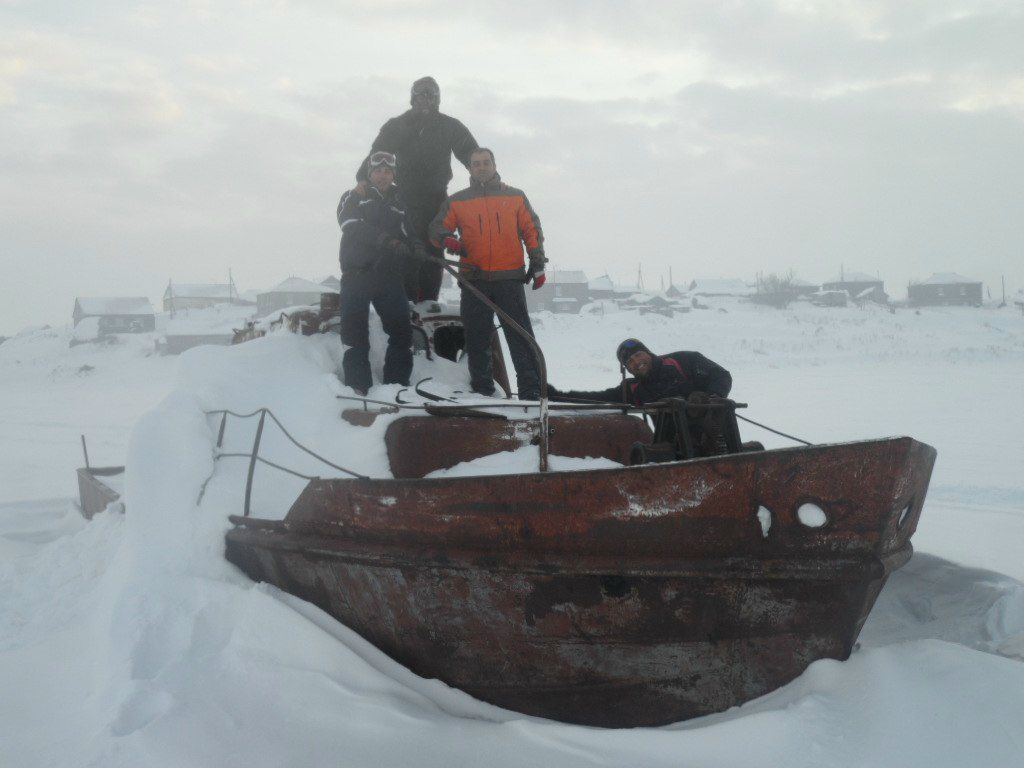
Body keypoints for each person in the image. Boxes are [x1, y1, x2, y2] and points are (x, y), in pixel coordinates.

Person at [429, 147, 547, 400]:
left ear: (494, 165)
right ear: (470, 169)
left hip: (509, 280)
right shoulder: (458, 201)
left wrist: (537, 263)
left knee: (521, 337)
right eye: (475, 163)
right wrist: (447, 238)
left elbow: (531, 230)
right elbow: (437, 228)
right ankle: (483, 393)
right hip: (474, 281)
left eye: (485, 162)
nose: (481, 167)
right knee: (476, 340)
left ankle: (532, 393)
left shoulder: (515, 197)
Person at [354, 76, 478, 302]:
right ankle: (408, 302)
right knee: (407, 249)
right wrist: (363, 179)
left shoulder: (450, 126)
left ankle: (429, 301)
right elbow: (377, 153)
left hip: (436, 199)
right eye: (421, 94)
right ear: (413, 98)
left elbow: (471, 153)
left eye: (430, 95)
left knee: (433, 250)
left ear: (437, 99)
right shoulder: (397, 125)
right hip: (405, 199)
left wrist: (483, 179)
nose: (425, 99)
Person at [337, 150, 421, 395]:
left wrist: (416, 246)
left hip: (388, 277)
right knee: (355, 333)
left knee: (402, 333)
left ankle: (396, 388)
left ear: (393, 174)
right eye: (378, 171)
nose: (383, 176)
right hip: (357, 276)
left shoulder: (399, 203)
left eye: (387, 171)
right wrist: (385, 240)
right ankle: (358, 389)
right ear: (369, 173)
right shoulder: (353, 196)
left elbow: (409, 232)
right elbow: (349, 224)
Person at [548, 338, 732, 406]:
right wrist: (557, 396)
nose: (637, 362)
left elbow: (721, 375)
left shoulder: (684, 360)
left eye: (638, 354)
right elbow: (598, 398)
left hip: (715, 432)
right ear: (627, 369)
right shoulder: (633, 389)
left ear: (648, 353)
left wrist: (710, 397)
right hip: (673, 451)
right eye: (629, 362)